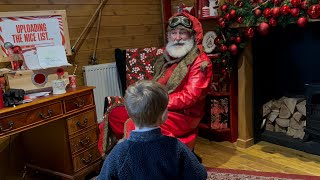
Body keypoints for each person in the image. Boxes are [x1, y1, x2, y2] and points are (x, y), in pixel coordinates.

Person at [98, 11, 212, 155]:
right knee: (116, 113)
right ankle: (134, 153)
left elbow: (191, 96)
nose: (177, 38)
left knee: (137, 124)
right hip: (157, 106)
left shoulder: (201, 62)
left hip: (183, 115)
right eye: (173, 33)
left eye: (182, 33)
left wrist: (156, 100)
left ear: (191, 35)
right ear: (168, 36)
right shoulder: (166, 57)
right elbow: (154, 84)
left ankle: (147, 161)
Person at [96, 80, 207, 180]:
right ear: (164, 115)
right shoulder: (176, 147)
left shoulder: (119, 152)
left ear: (128, 113)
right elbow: (200, 175)